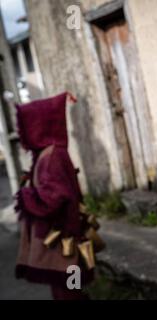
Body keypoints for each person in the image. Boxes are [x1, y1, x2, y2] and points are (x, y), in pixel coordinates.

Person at [14, 92, 96, 300]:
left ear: (38, 126)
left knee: (67, 290)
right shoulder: (49, 153)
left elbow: (55, 197)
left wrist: (26, 195)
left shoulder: (51, 157)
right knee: (67, 287)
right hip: (62, 238)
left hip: (61, 240)